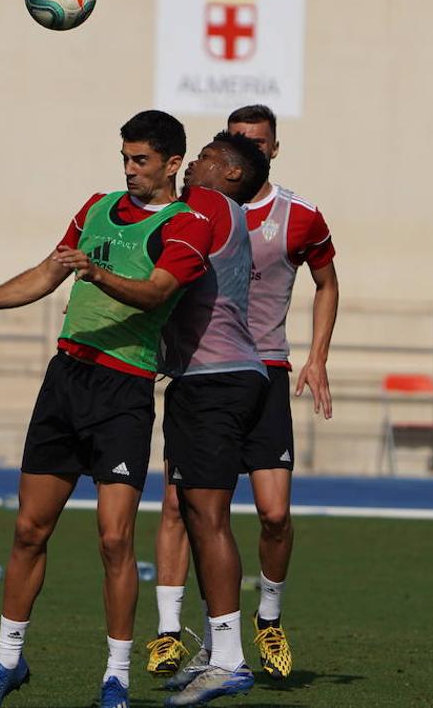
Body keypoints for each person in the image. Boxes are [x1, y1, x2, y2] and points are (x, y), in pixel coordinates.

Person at [0, 110, 212, 708]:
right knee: (29, 529)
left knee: (113, 540)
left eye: (141, 161)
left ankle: (115, 677)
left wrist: (97, 272)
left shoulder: (188, 225)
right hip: (67, 380)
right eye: (125, 160)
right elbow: (47, 272)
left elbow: (158, 292)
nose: (130, 171)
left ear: (172, 163)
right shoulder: (97, 208)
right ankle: (8, 661)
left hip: (123, 392)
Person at [148, 105, 338, 684]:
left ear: (267, 153)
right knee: (188, 506)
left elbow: (327, 281)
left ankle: (267, 621)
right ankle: (171, 632)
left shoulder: (298, 215)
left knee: (274, 514)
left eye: (250, 142)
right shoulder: (192, 209)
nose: (237, 146)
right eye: (229, 139)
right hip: (205, 374)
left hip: (265, 372)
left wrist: (318, 356)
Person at [156, 132, 272, 706]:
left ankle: (229, 660)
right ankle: (215, 651)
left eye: (201, 157)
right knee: (200, 518)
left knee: (209, 517)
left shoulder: (204, 205)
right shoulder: (217, 210)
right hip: (212, 378)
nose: (191, 165)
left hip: (215, 379)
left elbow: (151, 249)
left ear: (228, 173)